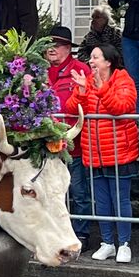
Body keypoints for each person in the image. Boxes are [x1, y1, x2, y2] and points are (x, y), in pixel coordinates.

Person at [65, 44, 139, 263]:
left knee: (121, 201)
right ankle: (107, 243)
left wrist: (101, 88)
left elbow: (121, 107)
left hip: (119, 152)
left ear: (108, 61)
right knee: (102, 202)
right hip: (94, 151)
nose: (91, 61)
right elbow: (71, 109)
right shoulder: (88, 81)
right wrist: (80, 91)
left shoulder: (123, 80)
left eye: (96, 57)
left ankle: (124, 243)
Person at [46, 26, 92, 250]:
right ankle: (54, 234)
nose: (51, 49)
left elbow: (90, 101)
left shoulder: (81, 70)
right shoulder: (41, 71)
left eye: (56, 45)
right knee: (52, 192)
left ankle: (81, 234)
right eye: (48, 45)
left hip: (74, 145)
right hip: (46, 145)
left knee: (78, 191)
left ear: (67, 48)